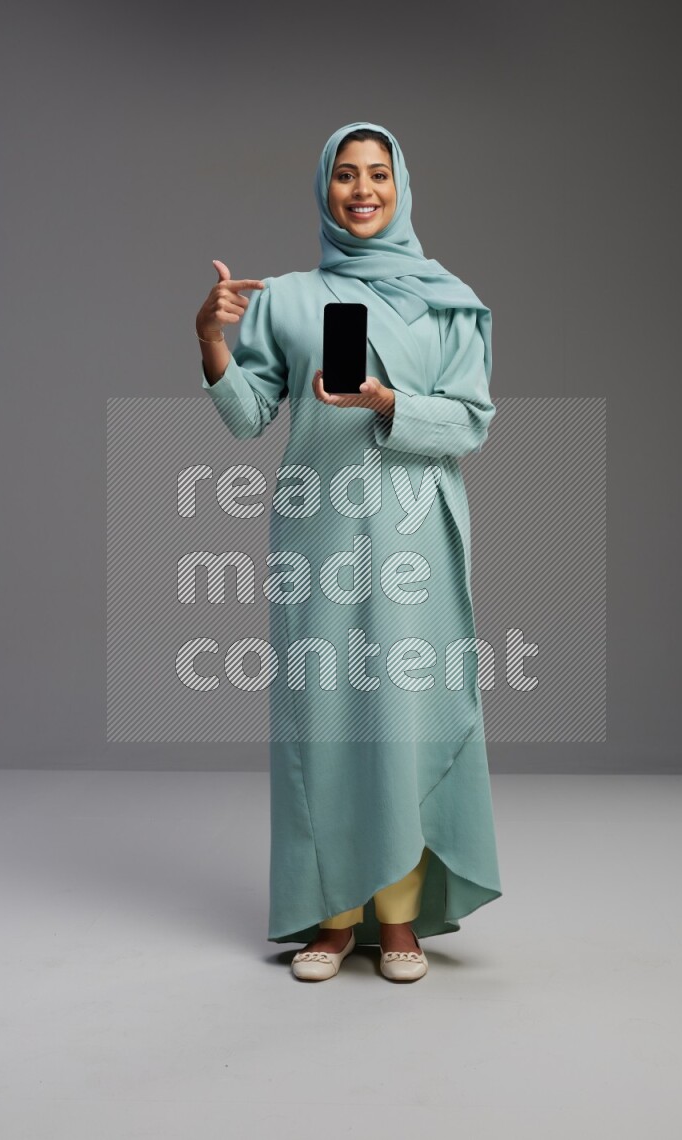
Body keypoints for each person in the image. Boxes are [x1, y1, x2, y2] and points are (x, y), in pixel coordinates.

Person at [195, 121, 502, 982]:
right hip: (319, 536)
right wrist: (211, 337)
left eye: (377, 175)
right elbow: (247, 415)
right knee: (327, 723)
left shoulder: (449, 300)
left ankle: (398, 920)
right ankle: (332, 918)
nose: (361, 190)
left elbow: (469, 421)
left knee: (401, 719)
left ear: (401, 187)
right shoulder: (288, 297)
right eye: (344, 176)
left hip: (415, 537)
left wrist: (387, 402)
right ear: (323, 190)